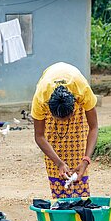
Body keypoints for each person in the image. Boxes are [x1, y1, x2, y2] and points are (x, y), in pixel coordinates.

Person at [31, 62, 98, 199]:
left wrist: (85, 161)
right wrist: (59, 163)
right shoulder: (41, 98)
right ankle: (60, 202)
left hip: (75, 107)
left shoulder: (82, 90)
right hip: (52, 103)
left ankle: (80, 202)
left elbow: (93, 127)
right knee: (54, 162)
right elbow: (39, 136)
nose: (64, 122)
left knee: (78, 154)